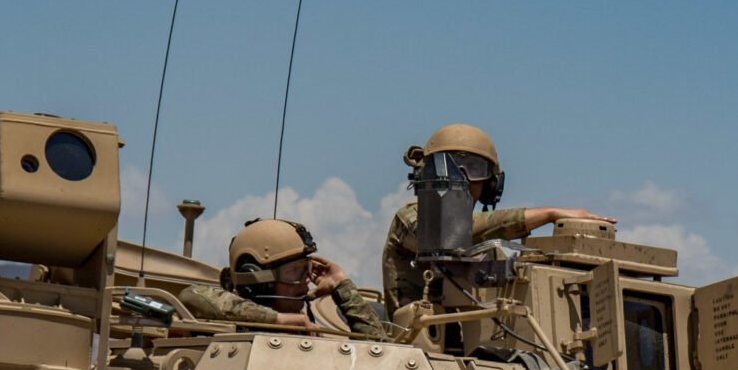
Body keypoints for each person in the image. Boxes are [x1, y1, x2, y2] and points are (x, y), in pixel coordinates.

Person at [379, 123, 605, 311]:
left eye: (474, 168)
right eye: (449, 167)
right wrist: (548, 214)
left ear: (490, 183)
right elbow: (443, 233)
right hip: (412, 343)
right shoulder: (409, 220)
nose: (462, 177)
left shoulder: (489, 249)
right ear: (426, 174)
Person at [174, 218, 399, 340]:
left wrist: (342, 286)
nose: (306, 282)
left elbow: (379, 352)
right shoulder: (230, 328)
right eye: (294, 272)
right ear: (257, 280)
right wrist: (282, 321)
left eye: (307, 269)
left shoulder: (309, 326)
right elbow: (190, 295)